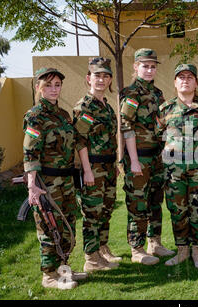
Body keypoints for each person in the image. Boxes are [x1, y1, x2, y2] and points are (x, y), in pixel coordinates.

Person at [23, 67, 86, 289]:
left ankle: (63, 269)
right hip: (46, 183)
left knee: (68, 225)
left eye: (57, 85)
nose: (53, 89)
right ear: (38, 87)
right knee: (49, 227)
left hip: (66, 181)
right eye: (48, 85)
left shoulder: (64, 115)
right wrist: (32, 186)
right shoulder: (35, 116)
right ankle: (49, 275)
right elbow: (30, 153)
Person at [155, 64, 198, 269]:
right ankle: (182, 250)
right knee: (177, 210)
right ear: (175, 82)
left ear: (196, 82)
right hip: (175, 171)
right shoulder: (165, 109)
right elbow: (157, 136)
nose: (185, 80)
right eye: (180, 77)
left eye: (190, 77)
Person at [120, 48, 174, 266]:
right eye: (145, 66)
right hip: (139, 158)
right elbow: (126, 127)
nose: (150, 70)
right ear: (136, 67)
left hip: (157, 157)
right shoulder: (131, 94)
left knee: (155, 201)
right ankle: (137, 248)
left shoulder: (157, 93)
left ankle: (155, 243)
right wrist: (133, 160)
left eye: (153, 66)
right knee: (138, 203)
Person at [73, 58, 120, 272]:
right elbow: (80, 140)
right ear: (88, 78)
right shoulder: (85, 106)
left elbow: (110, 138)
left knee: (106, 210)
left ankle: (102, 249)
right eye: (97, 75)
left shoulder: (107, 107)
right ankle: (91, 259)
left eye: (105, 76)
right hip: (93, 167)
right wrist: (87, 170)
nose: (101, 80)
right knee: (92, 213)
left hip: (108, 167)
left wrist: (115, 164)